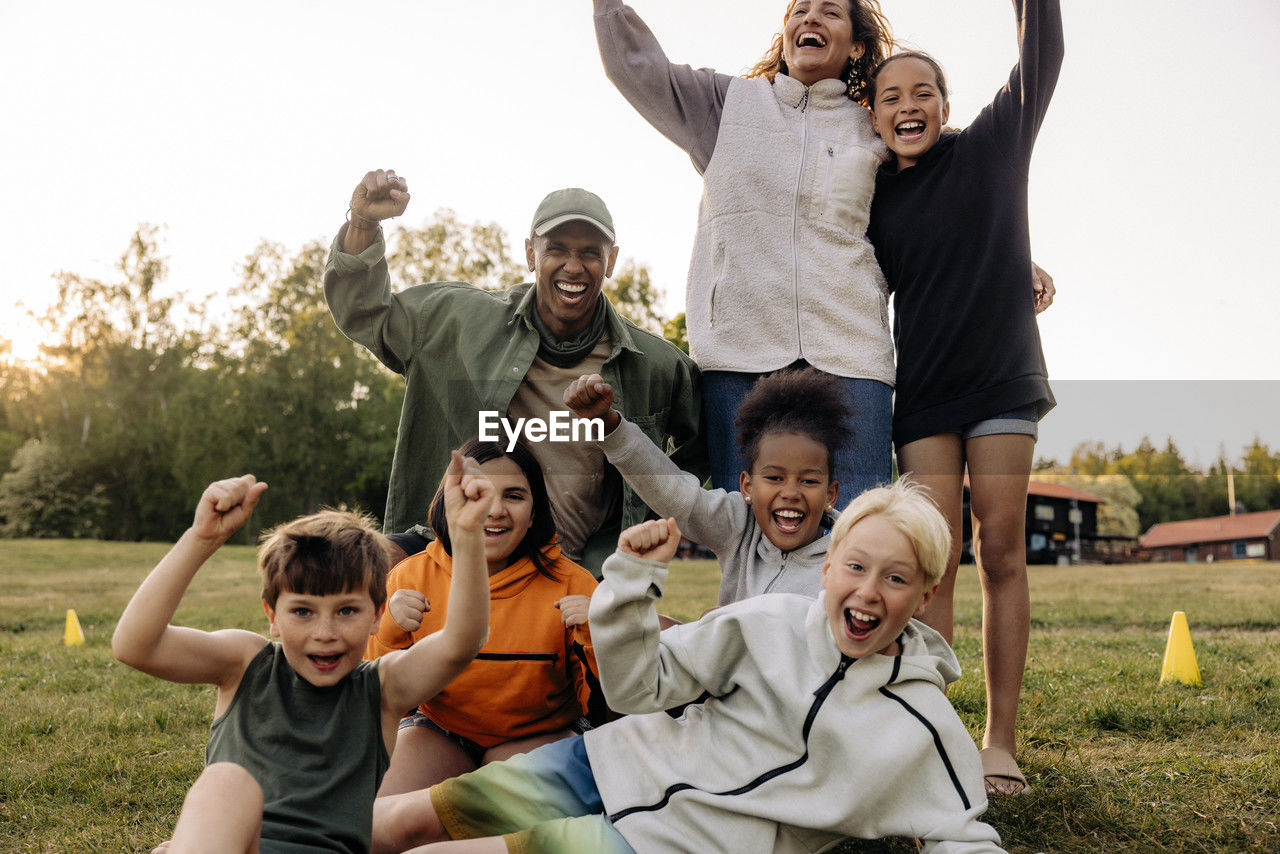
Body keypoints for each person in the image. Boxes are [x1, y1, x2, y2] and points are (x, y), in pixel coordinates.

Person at [372, 481, 1006, 854]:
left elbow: (964, 834)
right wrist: (628, 586)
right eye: (857, 568)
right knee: (405, 819)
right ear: (829, 566)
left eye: (896, 579)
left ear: (924, 598)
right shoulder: (766, 623)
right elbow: (639, 686)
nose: (869, 592)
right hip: (604, 765)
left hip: (663, 845)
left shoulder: (923, 724)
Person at [865, 0, 1063, 797]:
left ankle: (999, 741)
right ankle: (930, 733)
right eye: (891, 96)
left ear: (946, 105)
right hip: (923, 388)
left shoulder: (991, 146)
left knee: (1003, 548)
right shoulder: (870, 190)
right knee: (931, 563)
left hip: (1002, 376)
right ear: (873, 115)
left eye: (923, 92)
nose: (907, 106)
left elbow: (1041, 54)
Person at [324, 170, 705, 575]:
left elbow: (705, 444)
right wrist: (363, 223)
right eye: (556, 249)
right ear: (530, 254)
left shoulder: (656, 365)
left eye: (590, 252)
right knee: (361, 561)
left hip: (573, 571)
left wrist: (645, 515)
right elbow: (365, 314)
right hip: (454, 546)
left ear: (610, 260)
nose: (573, 267)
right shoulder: (456, 321)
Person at [592, 0, 898, 502]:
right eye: (799, 9)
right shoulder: (724, 104)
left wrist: (1011, 258)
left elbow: (939, 204)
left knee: (857, 527)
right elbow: (634, 67)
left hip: (852, 357)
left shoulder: (875, 128)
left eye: (830, 12)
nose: (810, 18)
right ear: (785, 32)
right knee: (748, 531)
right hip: (740, 355)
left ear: (857, 46)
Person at [110, 453, 492, 853]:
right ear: (272, 616)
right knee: (226, 783)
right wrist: (201, 539)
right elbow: (135, 645)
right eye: (303, 612)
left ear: (378, 614)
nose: (324, 633)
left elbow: (461, 642)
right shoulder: (246, 663)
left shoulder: (382, 690)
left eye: (346, 611)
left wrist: (466, 534)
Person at [366, 438, 603, 797]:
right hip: (440, 729)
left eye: (514, 496)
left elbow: (607, 708)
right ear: (449, 503)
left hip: (540, 733)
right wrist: (389, 631)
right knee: (381, 814)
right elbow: (372, 694)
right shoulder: (409, 577)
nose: (495, 510)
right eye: (479, 493)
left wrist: (598, 635)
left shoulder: (574, 585)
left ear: (535, 511)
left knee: (505, 819)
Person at [564, 366, 848, 606]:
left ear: (830, 494)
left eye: (808, 481)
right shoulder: (739, 527)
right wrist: (608, 426)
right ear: (747, 486)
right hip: (726, 669)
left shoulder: (846, 561)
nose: (790, 493)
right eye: (774, 478)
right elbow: (678, 496)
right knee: (647, 628)